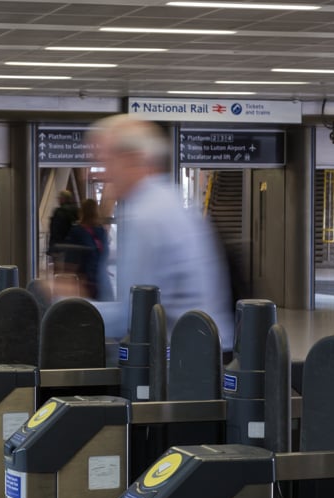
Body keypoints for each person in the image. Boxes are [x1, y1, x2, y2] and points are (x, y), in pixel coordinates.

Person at [87, 116, 234, 349]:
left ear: (131, 159)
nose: (105, 174)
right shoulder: (171, 201)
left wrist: (67, 307)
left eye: (107, 162)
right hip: (206, 352)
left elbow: (133, 316)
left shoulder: (146, 215)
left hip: (177, 364)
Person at [64, 198, 113, 301]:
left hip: (85, 281)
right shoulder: (101, 231)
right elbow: (105, 254)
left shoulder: (77, 231)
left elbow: (71, 258)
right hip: (100, 280)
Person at [47, 190, 79, 262]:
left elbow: (55, 230)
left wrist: (52, 248)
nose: (58, 199)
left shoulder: (59, 212)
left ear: (63, 199)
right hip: (75, 247)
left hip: (60, 246)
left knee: (59, 269)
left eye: (59, 198)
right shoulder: (77, 210)